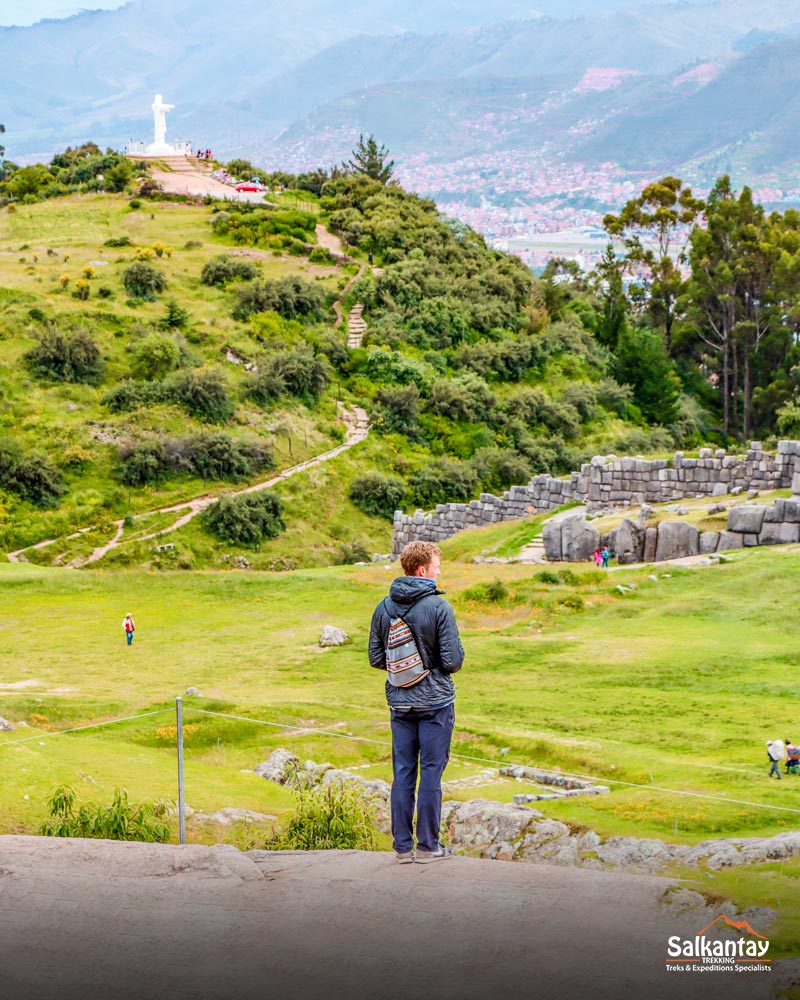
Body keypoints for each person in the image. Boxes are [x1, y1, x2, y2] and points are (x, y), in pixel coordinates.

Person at [369, 540, 464, 864]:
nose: (439, 572)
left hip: (399, 703)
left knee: (403, 773)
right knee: (432, 774)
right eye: (437, 567)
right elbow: (452, 661)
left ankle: (401, 848)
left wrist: (404, 669)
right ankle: (427, 847)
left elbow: (375, 657)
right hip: (435, 703)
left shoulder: (384, 607)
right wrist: (428, 666)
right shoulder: (438, 607)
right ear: (422, 570)